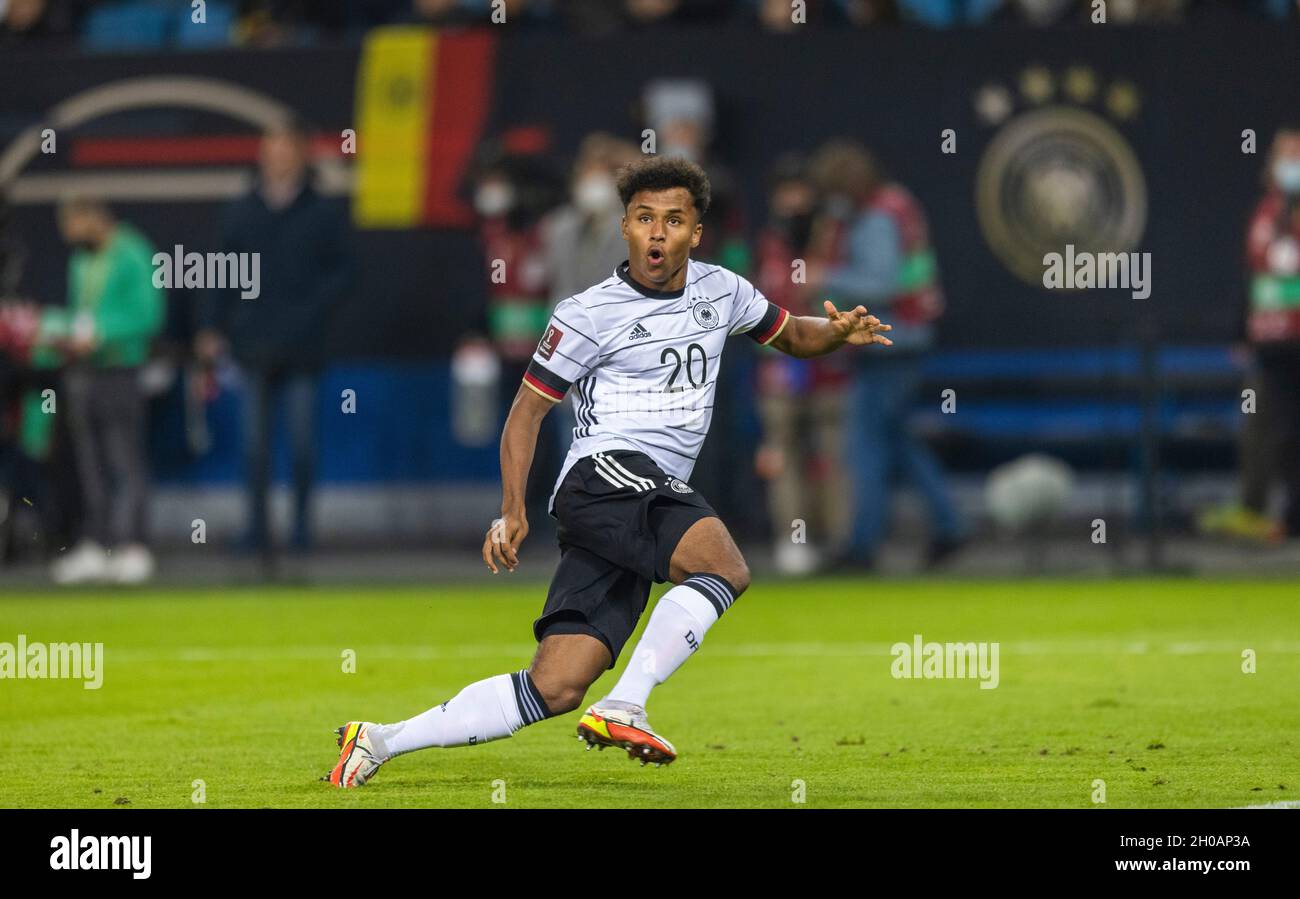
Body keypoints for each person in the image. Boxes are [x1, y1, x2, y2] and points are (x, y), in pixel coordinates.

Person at [324, 155, 893, 786]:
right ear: (624, 226)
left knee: (558, 684)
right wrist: (511, 509)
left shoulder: (722, 291)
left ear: (695, 232)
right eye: (644, 218)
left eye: (673, 220)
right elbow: (524, 415)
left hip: (634, 500)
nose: (657, 233)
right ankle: (627, 702)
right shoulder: (586, 313)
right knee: (724, 566)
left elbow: (790, 335)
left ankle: (377, 740)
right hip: (605, 475)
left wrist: (836, 332)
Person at [195, 119, 352, 562]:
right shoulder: (242, 209)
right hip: (252, 349)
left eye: (285, 147)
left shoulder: (322, 212)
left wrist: (310, 312)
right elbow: (223, 272)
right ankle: (256, 529)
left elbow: (344, 274)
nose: (277, 155)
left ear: (302, 153)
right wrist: (213, 326)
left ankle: (302, 528)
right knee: (253, 447)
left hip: (303, 351)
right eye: (271, 147)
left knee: (302, 445)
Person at [805, 139, 962, 570]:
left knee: (865, 445)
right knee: (896, 440)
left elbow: (881, 284)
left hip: (891, 342)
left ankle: (861, 547)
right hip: (905, 339)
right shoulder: (897, 203)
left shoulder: (875, 218)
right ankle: (950, 527)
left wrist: (824, 276)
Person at [45, 197, 165, 584]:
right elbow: (82, 314)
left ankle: (134, 546)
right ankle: (98, 545)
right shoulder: (81, 259)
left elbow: (148, 314)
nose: (68, 235)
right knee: (90, 466)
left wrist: (99, 334)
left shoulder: (132, 252)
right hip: (84, 373)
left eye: (73, 224)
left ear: (93, 218)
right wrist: (58, 332)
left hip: (120, 370)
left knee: (124, 460)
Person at [751, 154, 851, 573]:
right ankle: (795, 541)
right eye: (785, 193)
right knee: (783, 456)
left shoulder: (833, 239)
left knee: (833, 455)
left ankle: (842, 541)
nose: (793, 201)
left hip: (830, 368)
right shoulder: (768, 242)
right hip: (779, 368)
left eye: (800, 192)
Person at [1202, 126, 1300, 541]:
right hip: (1270, 344)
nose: (1290, 165)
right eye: (1284, 156)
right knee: (1264, 428)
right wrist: (1242, 331)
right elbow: (1253, 277)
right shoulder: (1264, 212)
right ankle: (1257, 511)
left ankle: (1292, 518)